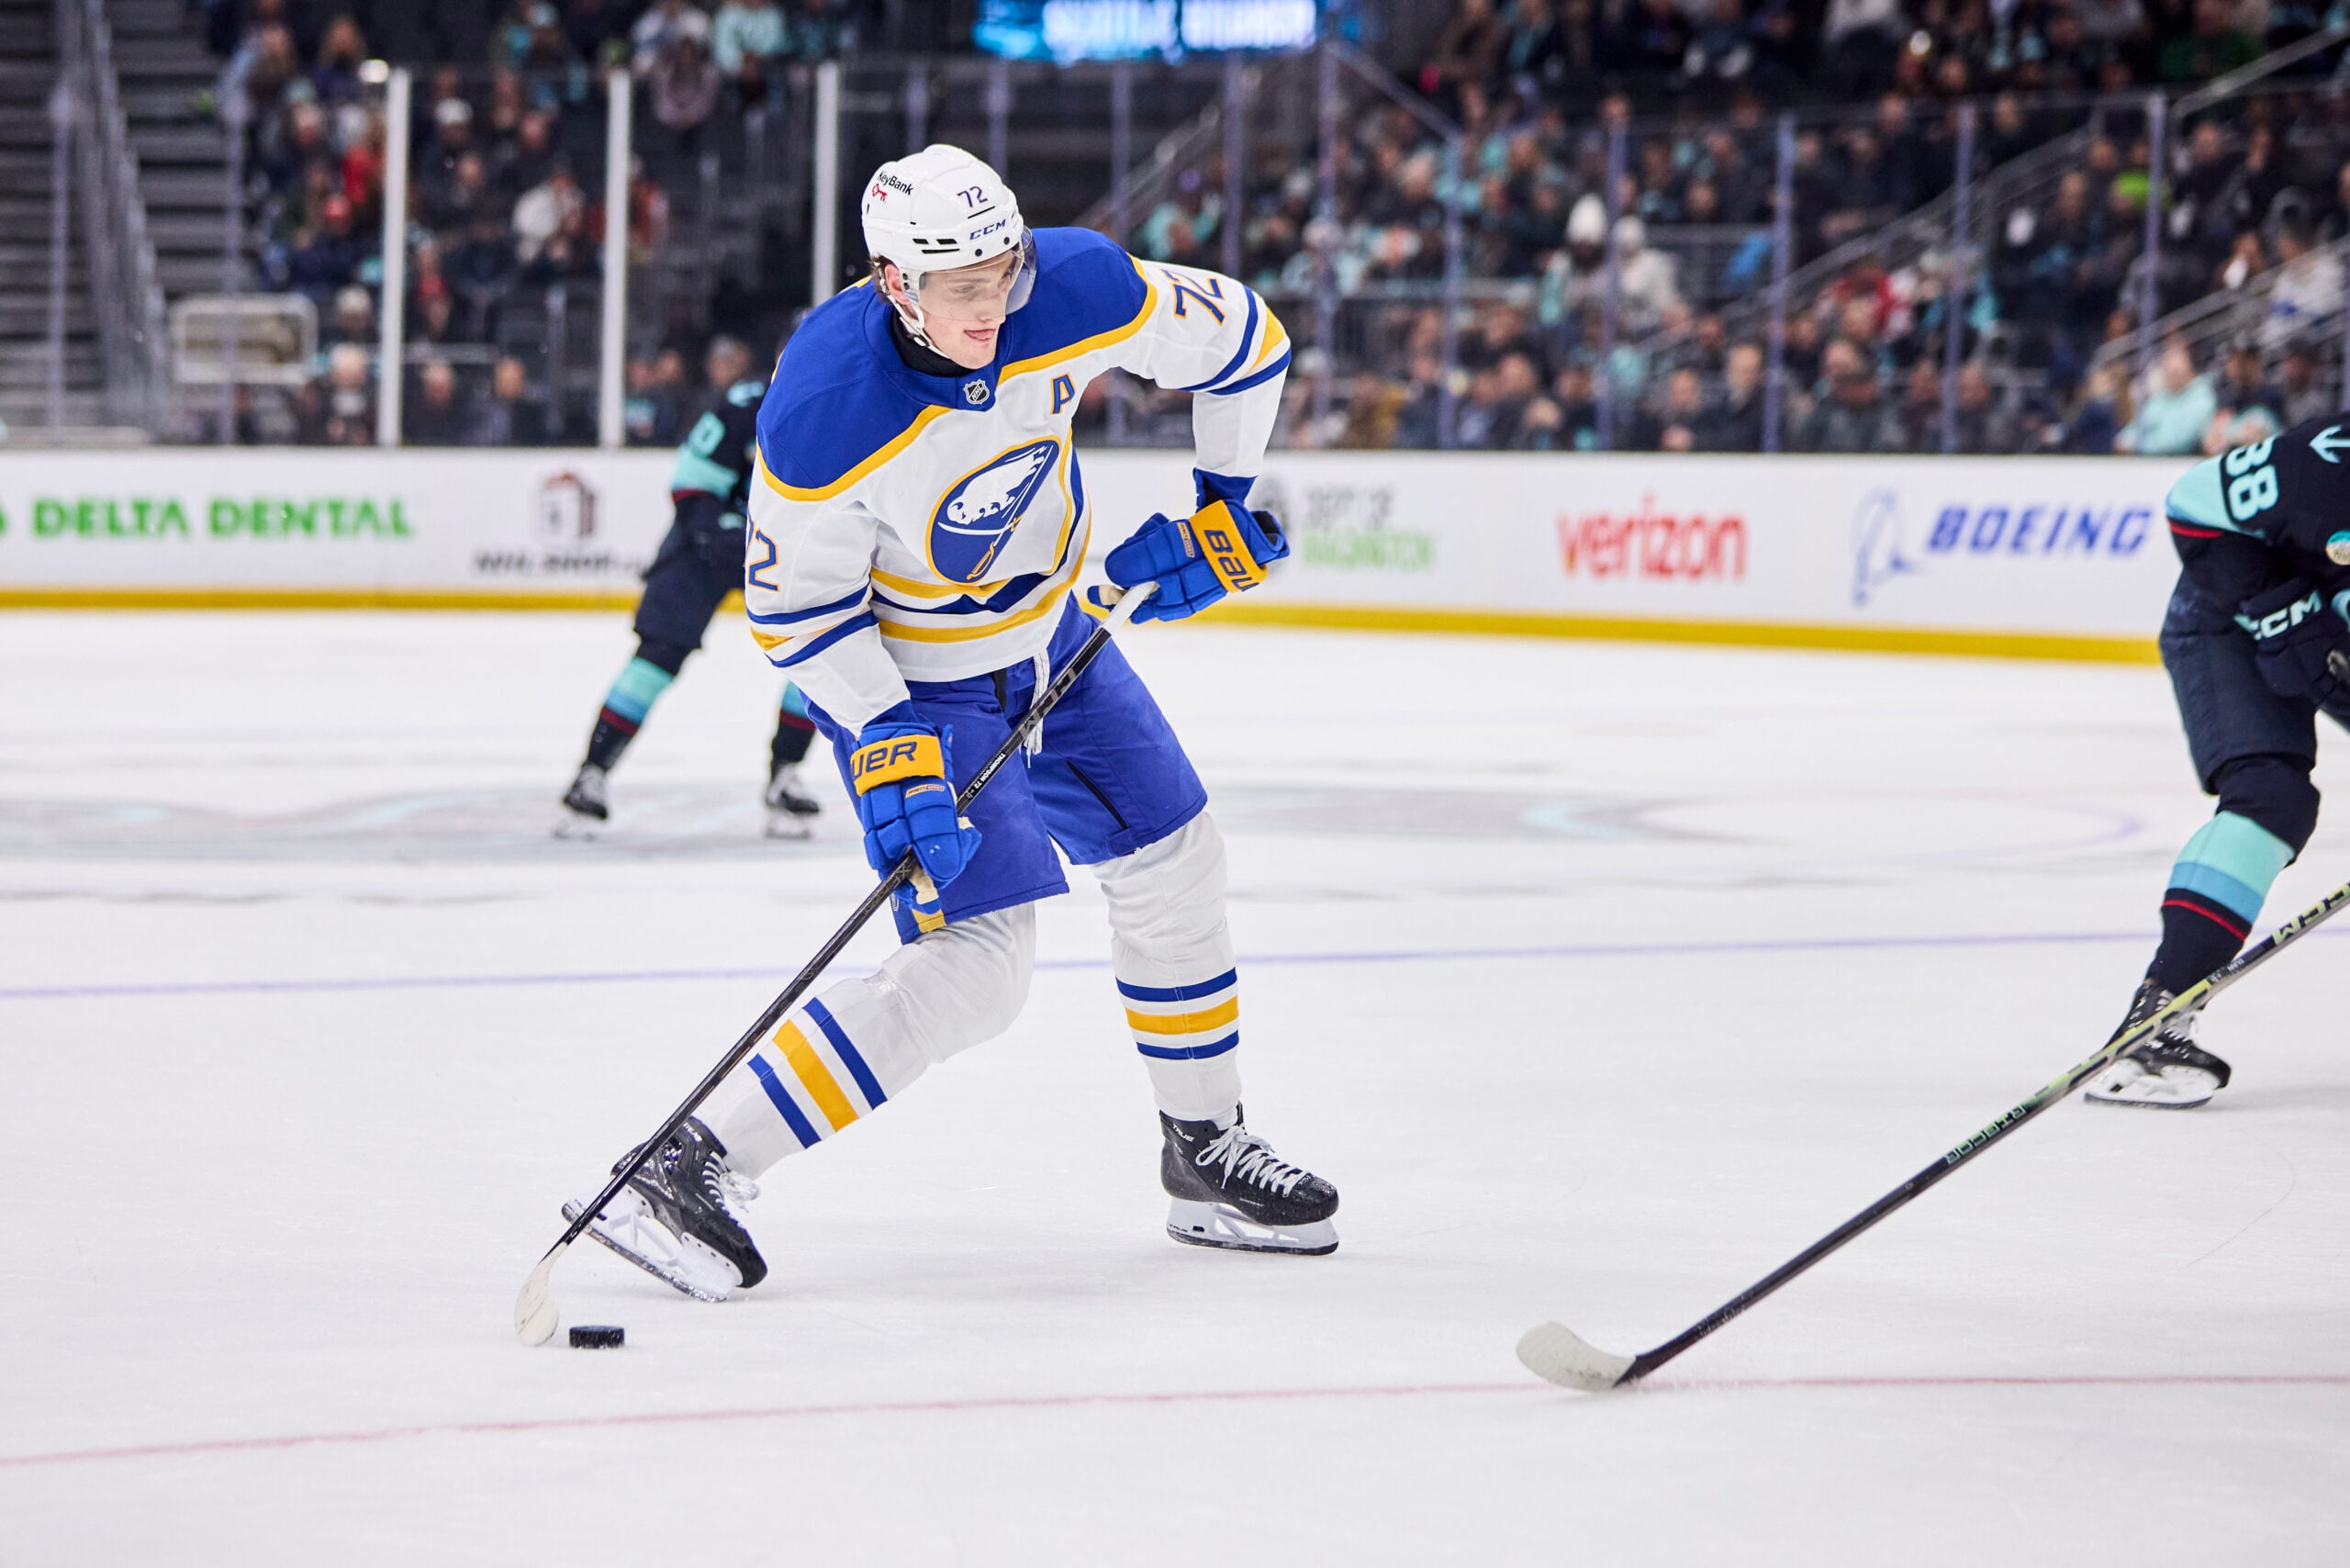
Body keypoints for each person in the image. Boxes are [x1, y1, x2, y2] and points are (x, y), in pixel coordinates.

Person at [563, 144, 1337, 1299]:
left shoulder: (1073, 288)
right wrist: (885, 736)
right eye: (961, 287)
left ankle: (1202, 1150)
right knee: (978, 967)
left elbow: (1246, 341)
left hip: (1055, 633)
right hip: (916, 680)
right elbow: (795, 609)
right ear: (895, 284)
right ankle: (693, 1160)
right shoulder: (826, 405)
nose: (991, 305)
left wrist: (1220, 502)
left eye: (1002, 273)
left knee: (1178, 862)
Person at [2087, 415, 2350, 1107]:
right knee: (2271, 797)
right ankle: (2156, 1019)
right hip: (2228, 620)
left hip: (2335, 639)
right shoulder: (2326, 464)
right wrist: (2280, 609)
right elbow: (2195, 501)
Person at [556, 335, 823, 841]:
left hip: (789, 550)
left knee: (822, 649)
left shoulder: (843, 413)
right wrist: (719, 534)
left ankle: (786, 774)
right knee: (659, 653)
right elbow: (691, 483)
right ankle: (592, 773)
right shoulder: (743, 405)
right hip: (709, 546)